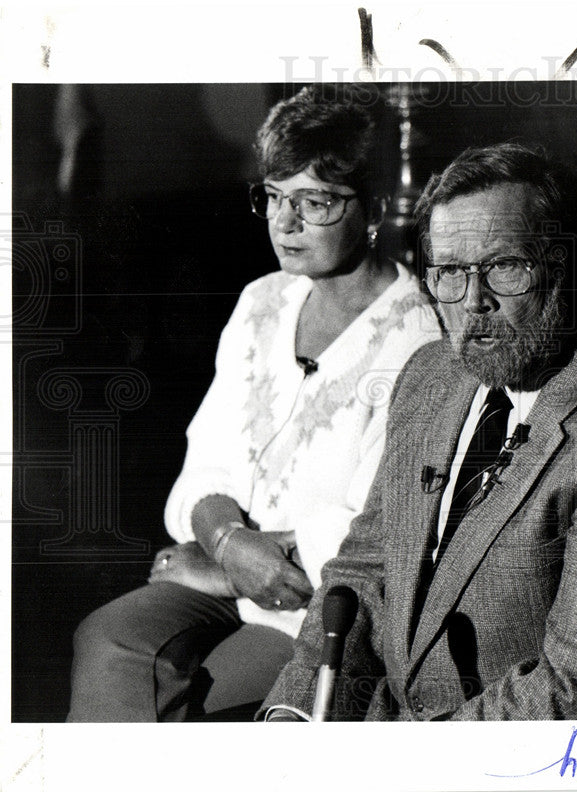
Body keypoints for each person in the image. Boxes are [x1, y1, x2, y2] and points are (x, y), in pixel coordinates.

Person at [261, 142, 577, 721]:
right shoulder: (429, 376)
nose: (473, 302)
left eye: (504, 268)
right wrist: (292, 719)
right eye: (449, 274)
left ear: (568, 268)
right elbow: (362, 574)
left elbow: (569, 692)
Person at [67, 86, 441, 721]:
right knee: (108, 639)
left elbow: (375, 530)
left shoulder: (421, 342)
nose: (284, 222)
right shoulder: (261, 302)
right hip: (218, 571)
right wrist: (227, 540)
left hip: (321, 608)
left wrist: (225, 564)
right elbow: (205, 466)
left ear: (373, 208)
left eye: (313, 201)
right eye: (272, 196)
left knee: (193, 703)